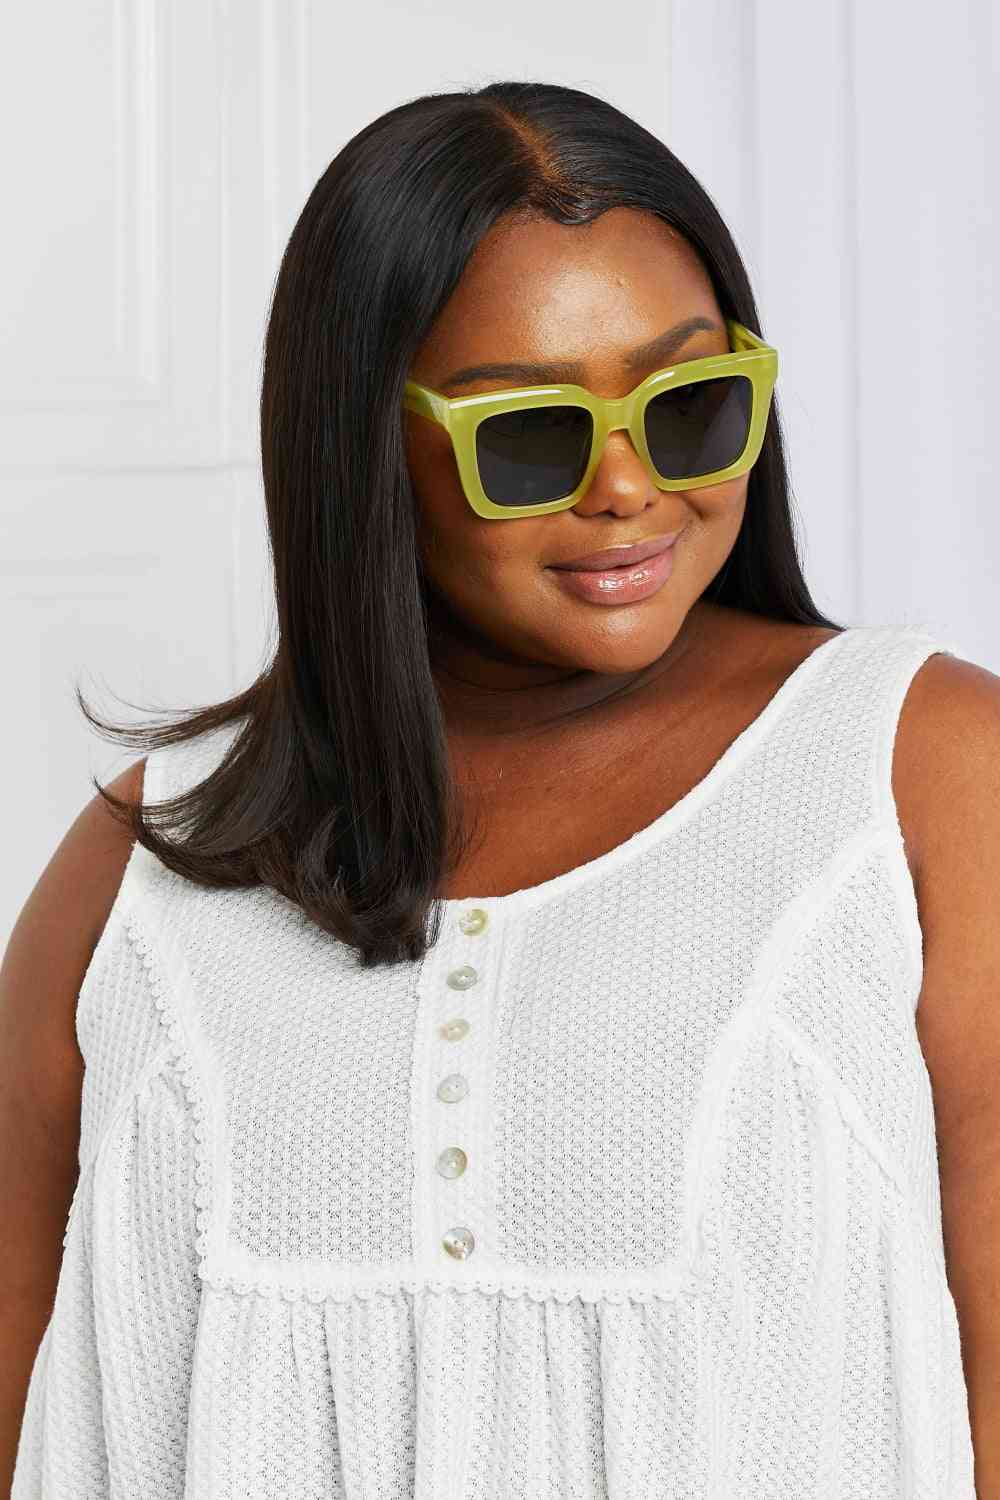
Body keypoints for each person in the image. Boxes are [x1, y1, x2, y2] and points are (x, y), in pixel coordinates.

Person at [2, 78, 996, 1498]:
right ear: (363, 444)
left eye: (692, 407)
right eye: (529, 433)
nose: (628, 488)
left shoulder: (921, 772)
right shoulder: (148, 866)